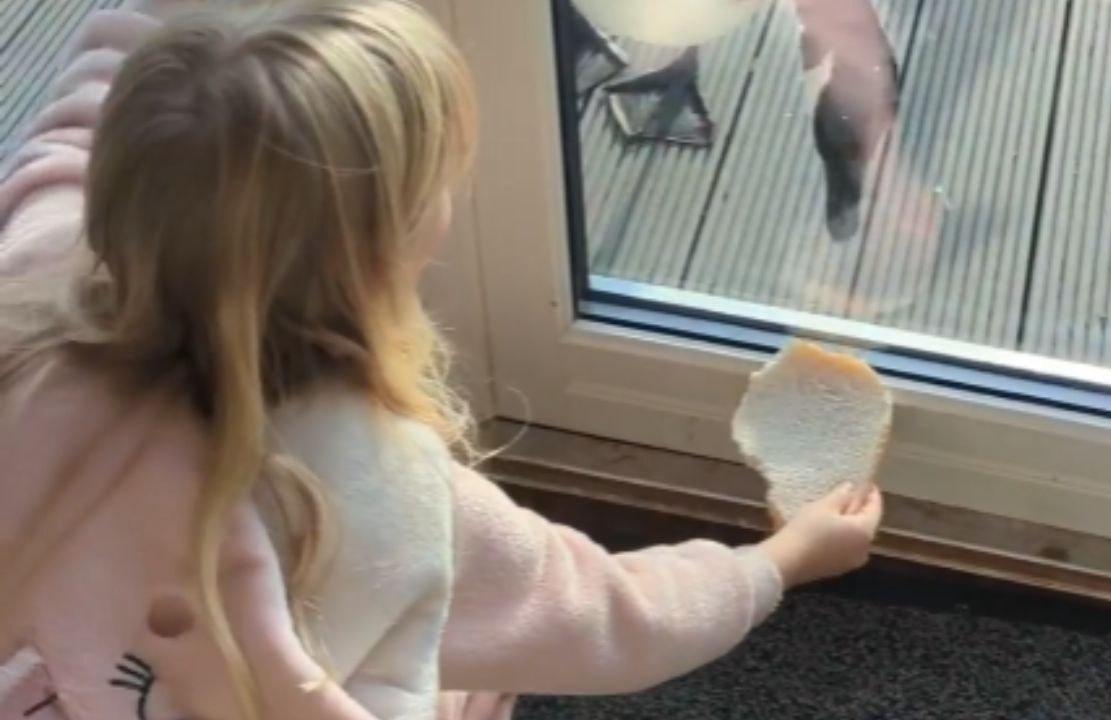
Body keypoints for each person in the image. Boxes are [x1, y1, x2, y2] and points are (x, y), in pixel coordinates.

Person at [0, 2, 883, 719]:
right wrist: (779, 563)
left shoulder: (29, 284)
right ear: (386, 255)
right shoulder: (376, 486)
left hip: (55, 666)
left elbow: (79, 113)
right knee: (480, 667)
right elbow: (609, 615)